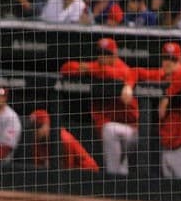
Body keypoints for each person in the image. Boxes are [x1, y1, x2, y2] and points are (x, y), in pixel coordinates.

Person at [59, 37, 139, 177]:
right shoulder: (96, 66)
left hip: (132, 130)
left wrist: (89, 69)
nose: (102, 57)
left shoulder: (123, 69)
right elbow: (66, 68)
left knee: (110, 131)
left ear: (114, 55)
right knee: (120, 164)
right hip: (113, 132)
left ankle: (114, 180)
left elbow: (114, 74)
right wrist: (88, 68)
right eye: (100, 53)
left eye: (106, 53)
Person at [143, 42, 181, 181]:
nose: (169, 63)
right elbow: (137, 72)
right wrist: (128, 85)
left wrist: (167, 95)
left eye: (173, 59)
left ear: (180, 62)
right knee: (168, 199)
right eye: (166, 58)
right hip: (167, 148)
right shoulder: (161, 76)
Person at [28, 109, 100, 171]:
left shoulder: (64, 139)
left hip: (88, 173)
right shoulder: (37, 141)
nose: (34, 131)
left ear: (48, 125)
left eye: (38, 127)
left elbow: (68, 170)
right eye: (32, 128)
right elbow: (38, 168)